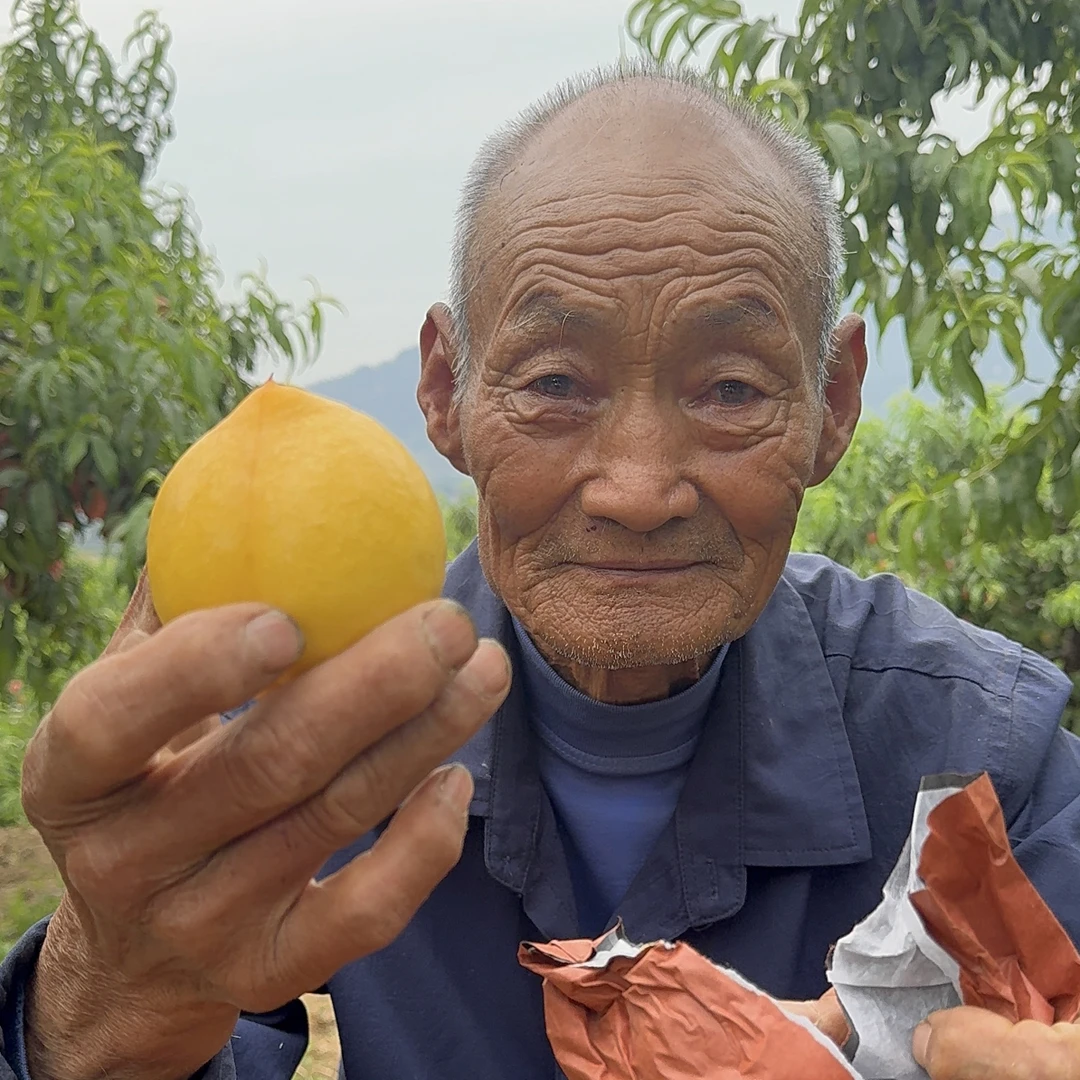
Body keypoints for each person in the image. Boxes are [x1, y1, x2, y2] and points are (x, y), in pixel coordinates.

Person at [4, 62, 1080, 1080]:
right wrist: (106, 992)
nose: (638, 489)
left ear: (834, 405)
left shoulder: (985, 764)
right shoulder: (302, 737)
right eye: (557, 379)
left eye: (733, 390)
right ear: (445, 392)